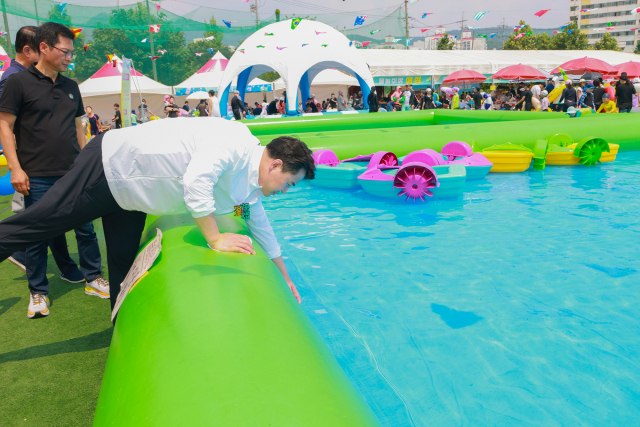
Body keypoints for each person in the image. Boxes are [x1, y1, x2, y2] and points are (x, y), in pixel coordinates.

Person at [0, 119, 316, 314]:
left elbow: (261, 227)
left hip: (132, 197)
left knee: (125, 267)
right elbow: (196, 182)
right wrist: (215, 238)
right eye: (288, 183)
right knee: (38, 224)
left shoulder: (251, 185)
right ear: (275, 165)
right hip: (108, 166)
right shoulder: (235, 141)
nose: (285, 191)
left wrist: (284, 277)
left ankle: (121, 337)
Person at [0, 22, 107, 318]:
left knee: (86, 229)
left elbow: (77, 128)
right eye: (65, 51)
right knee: (36, 234)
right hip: (36, 175)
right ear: (43, 48)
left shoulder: (71, 86)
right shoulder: (18, 83)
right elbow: (5, 127)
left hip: (74, 173)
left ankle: (93, 277)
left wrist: (87, 163)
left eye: (72, 53)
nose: (69, 57)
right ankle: (38, 292)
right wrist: (16, 169)